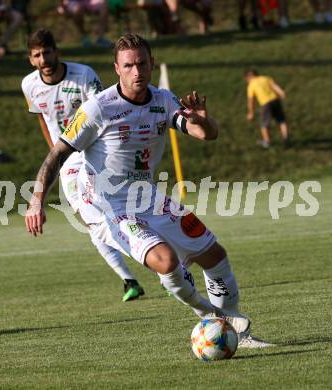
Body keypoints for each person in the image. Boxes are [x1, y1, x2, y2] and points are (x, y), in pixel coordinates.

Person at [25, 33, 274, 348]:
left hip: (148, 198)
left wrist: (204, 121)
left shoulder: (163, 100)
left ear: (152, 63)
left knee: (215, 255)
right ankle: (211, 316)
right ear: (117, 68)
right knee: (166, 261)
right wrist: (36, 202)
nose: (137, 72)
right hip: (108, 207)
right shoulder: (98, 109)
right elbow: (57, 154)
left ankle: (239, 334)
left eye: (142, 63)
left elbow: (205, 134)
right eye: (128, 65)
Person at [21, 29, 145, 302]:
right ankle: (131, 279)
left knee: (111, 215)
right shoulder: (28, 85)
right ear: (31, 60)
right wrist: (54, 152)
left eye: (48, 52)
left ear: (57, 51)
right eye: (37, 55)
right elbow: (42, 118)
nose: (44, 59)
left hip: (93, 152)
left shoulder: (84, 75)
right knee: (93, 222)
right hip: (65, 158)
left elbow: (104, 111)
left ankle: (163, 266)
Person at [245, 68, 289, 148]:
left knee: (264, 123)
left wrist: (251, 113)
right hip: (275, 100)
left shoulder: (252, 84)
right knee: (282, 120)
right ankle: (285, 138)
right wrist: (281, 93)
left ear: (249, 77)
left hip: (265, 104)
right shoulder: (266, 78)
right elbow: (275, 86)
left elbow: (251, 100)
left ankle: (267, 141)